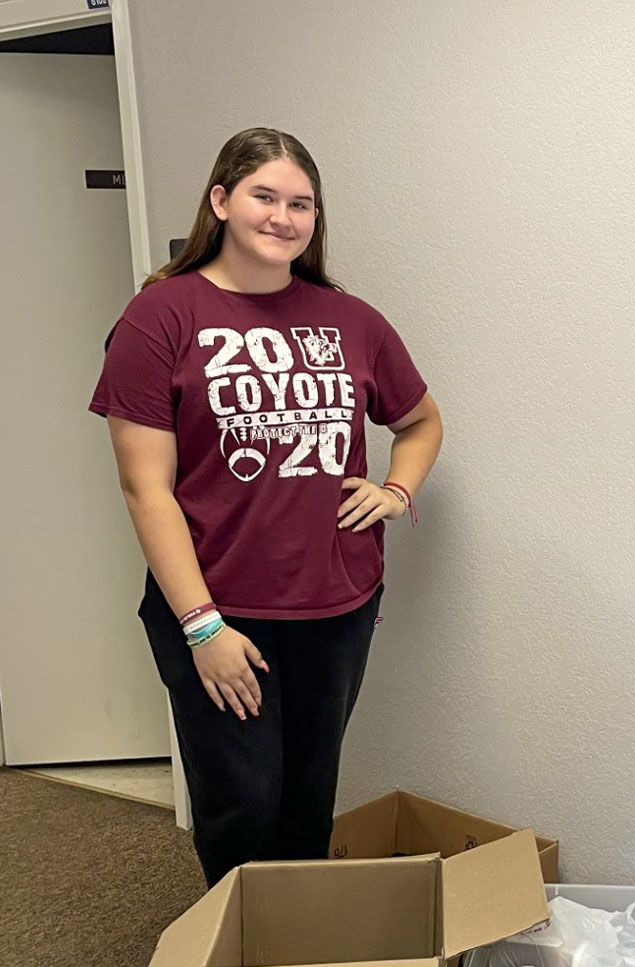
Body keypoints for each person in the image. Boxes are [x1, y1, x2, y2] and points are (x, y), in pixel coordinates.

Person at [91, 128, 443, 887]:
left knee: (307, 802)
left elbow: (419, 420)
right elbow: (144, 486)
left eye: (301, 204)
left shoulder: (348, 319)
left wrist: (394, 491)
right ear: (220, 201)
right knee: (241, 807)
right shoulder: (161, 317)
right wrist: (201, 625)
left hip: (336, 602)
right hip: (219, 607)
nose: (283, 217)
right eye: (264, 197)